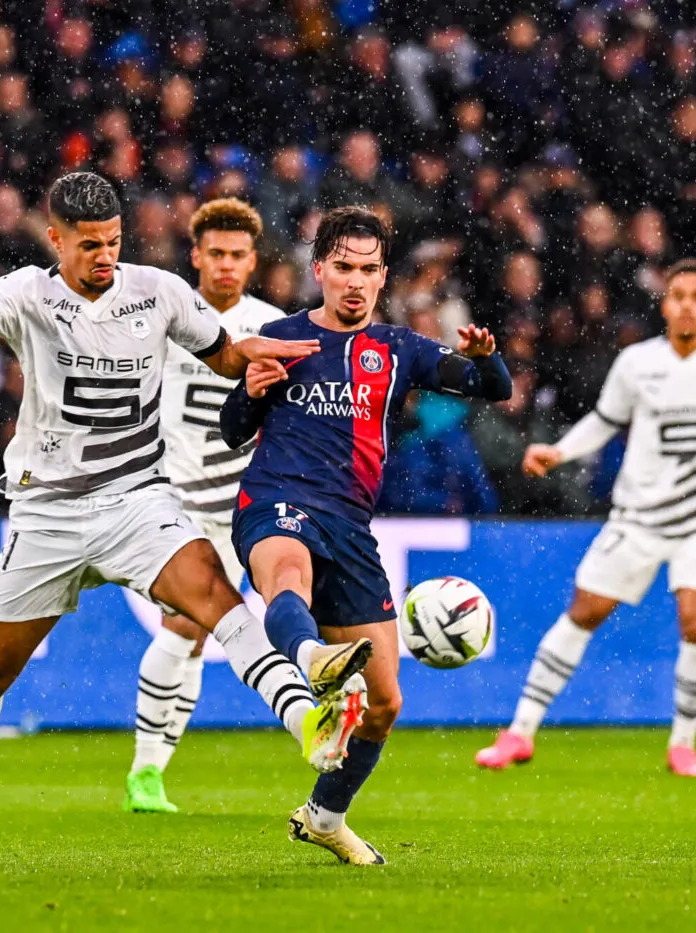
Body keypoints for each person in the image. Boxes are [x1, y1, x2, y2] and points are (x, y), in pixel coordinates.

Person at [0, 172, 370, 864]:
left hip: (137, 500)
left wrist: (261, 361)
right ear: (56, 239)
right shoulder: (27, 293)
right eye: (89, 244)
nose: (104, 256)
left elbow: (223, 354)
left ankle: (309, 721)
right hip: (47, 513)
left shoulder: (156, 292)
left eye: (114, 242)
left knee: (215, 600)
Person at [219, 206, 513, 864]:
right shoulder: (280, 334)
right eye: (343, 267)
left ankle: (325, 815)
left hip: (349, 524)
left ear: (383, 278)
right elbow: (232, 428)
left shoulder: (401, 349)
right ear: (319, 269)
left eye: (368, 270)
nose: (354, 281)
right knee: (285, 576)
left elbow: (496, 388)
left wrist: (486, 359)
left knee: (384, 702)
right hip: (275, 499)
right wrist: (251, 389)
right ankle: (313, 660)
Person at [476, 259, 696, 778]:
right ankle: (519, 733)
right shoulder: (636, 362)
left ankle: (683, 743)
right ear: (665, 304)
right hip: (637, 517)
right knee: (583, 611)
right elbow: (605, 421)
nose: (688, 304)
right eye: (679, 295)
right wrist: (559, 452)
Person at [123, 198, 284, 814]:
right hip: (159, 497)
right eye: (215, 253)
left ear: (251, 261)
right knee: (187, 626)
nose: (225, 265)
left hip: (230, 510)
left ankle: (151, 774)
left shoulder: (272, 327)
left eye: (237, 255)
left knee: (196, 637)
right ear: (195, 256)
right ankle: (144, 771)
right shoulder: (161, 316)